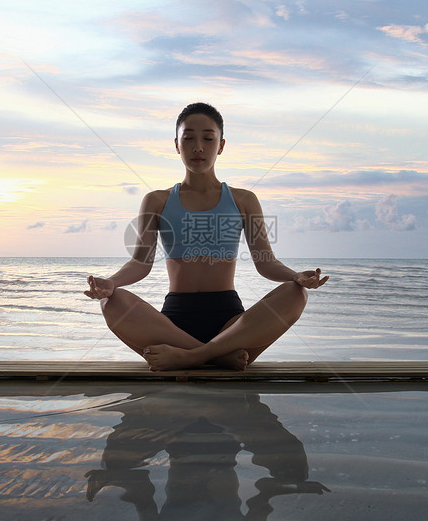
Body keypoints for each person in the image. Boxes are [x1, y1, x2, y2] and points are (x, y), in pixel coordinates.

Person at [84, 102, 328, 371]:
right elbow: (140, 263)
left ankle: (190, 356)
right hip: (173, 323)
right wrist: (111, 282)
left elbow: (265, 262)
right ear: (177, 145)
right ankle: (216, 355)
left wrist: (295, 276)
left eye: (208, 139)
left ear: (221, 145)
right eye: (188, 138)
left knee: (296, 295)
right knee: (112, 301)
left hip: (231, 323)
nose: (197, 146)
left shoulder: (244, 200)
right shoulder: (156, 201)